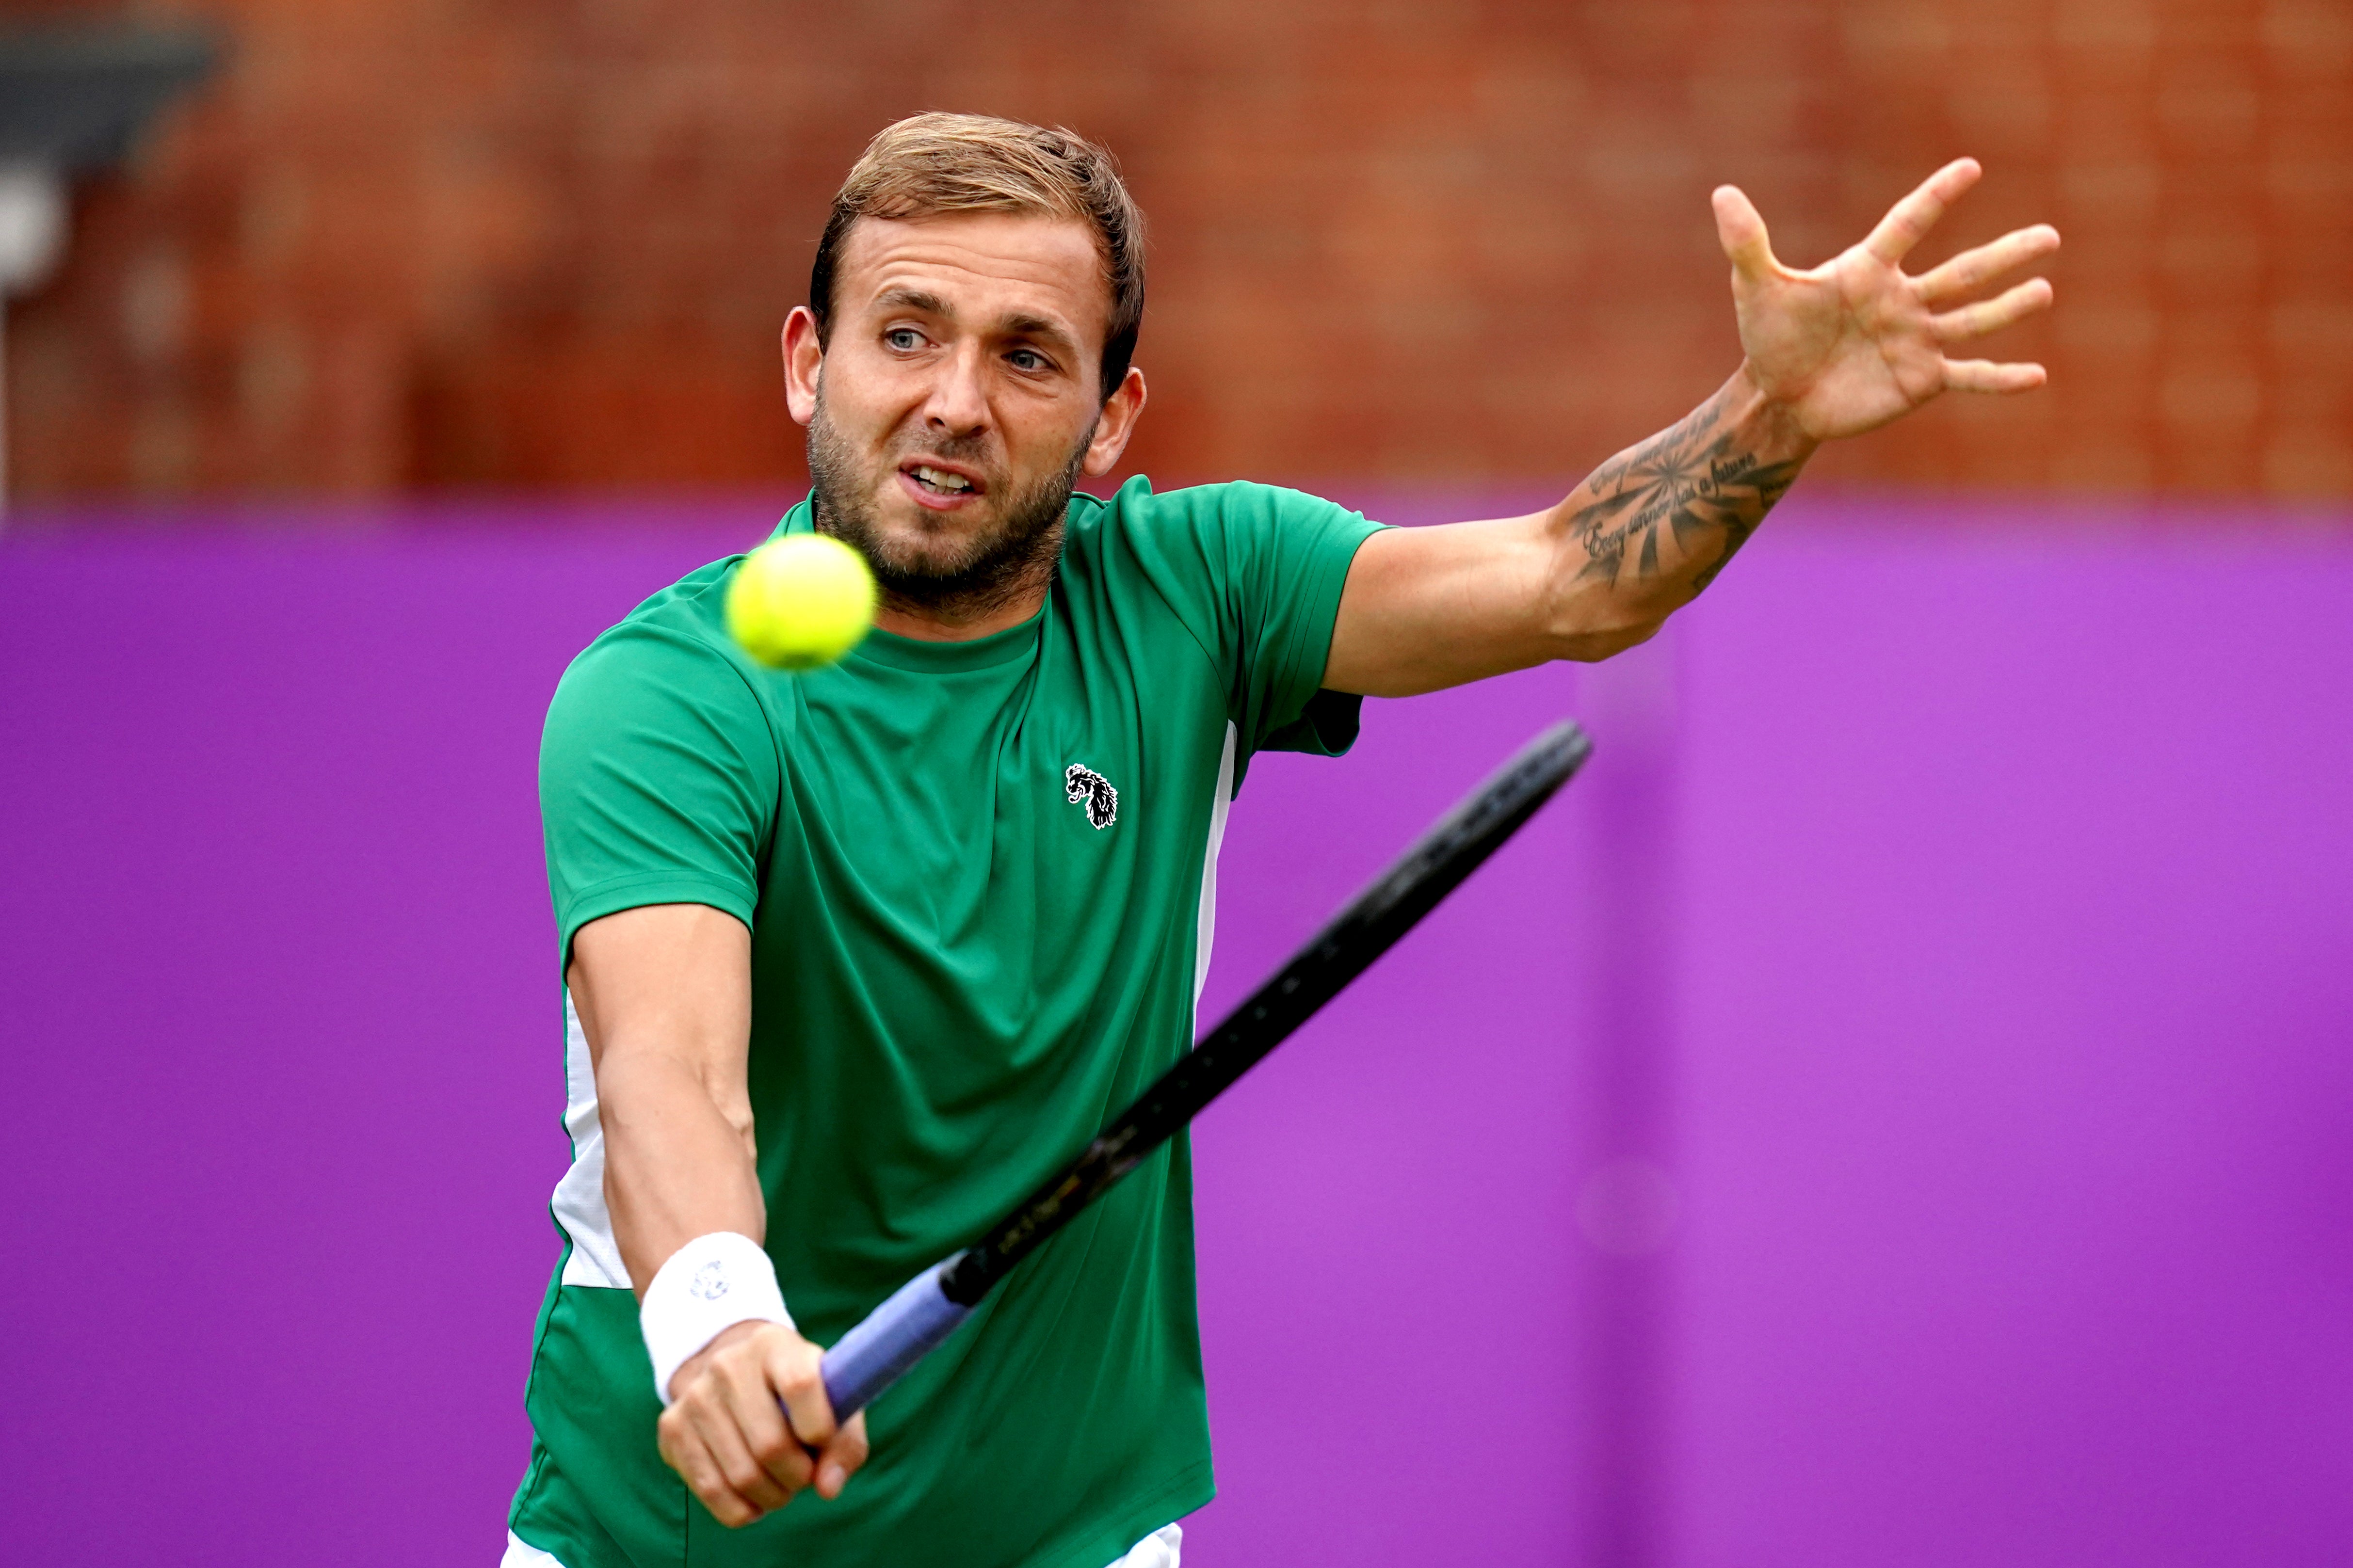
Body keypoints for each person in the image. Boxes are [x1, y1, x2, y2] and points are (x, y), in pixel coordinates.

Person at [504, 112, 2057, 1568]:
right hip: (659, 1533)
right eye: (904, 332)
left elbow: (1577, 577)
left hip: (1067, 1524)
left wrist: (1769, 410)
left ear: (1111, 417)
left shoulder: (1201, 589)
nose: (955, 399)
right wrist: (713, 1316)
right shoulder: (667, 692)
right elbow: (669, 1067)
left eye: (1027, 355)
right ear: (808, 362)